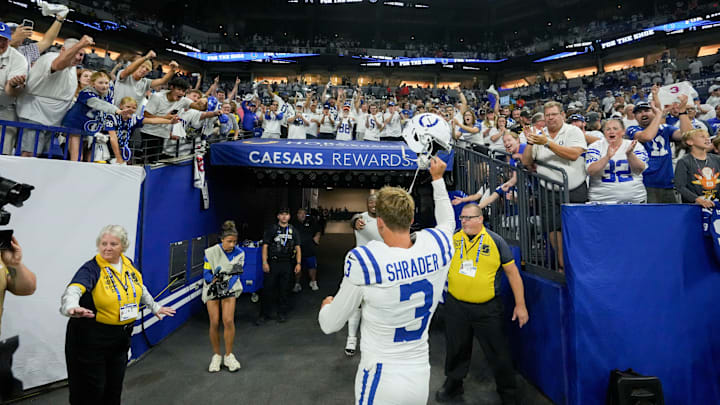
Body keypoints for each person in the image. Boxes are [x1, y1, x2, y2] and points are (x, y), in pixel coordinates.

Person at [318, 157, 454, 405]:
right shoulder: (437, 245)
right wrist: (437, 179)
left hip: (381, 374)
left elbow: (330, 324)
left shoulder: (367, 260)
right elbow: (447, 222)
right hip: (419, 371)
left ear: (379, 222)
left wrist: (327, 305)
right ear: (411, 219)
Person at [60, 225, 175, 405]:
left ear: (123, 246)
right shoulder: (91, 268)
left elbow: (140, 288)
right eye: (103, 243)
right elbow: (74, 289)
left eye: (113, 244)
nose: (107, 247)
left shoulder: (127, 263)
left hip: (120, 338)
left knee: (113, 389)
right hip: (92, 339)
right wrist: (71, 306)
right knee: (91, 390)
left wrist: (155, 307)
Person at [436, 203, 528, 404]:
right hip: (456, 306)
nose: (464, 222)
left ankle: (508, 392)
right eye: (462, 218)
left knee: (498, 351)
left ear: (480, 219)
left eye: (468, 218)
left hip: (486, 308)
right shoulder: (453, 239)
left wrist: (520, 305)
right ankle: (453, 383)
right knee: (455, 347)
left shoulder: (495, 241)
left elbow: (513, 274)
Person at [521, 101, 588, 271]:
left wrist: (547, 143)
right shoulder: (540, 135)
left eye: (554, 114)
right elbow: (527, 162)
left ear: (562, 115)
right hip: (548, 191)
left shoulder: (573, 131)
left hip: (574, 190)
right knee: (552, 228)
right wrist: (530, 142)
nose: (550, 118)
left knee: (576, 230)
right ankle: (561, 266)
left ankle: (579, 266)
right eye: (547, 115)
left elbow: (573, 155)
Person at [16, 35, 93, 157]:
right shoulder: (51, 58)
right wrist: (80, 44)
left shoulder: (72, 68)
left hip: (53, 122)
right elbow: (58, 65)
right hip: (36, 117)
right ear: (62, 50)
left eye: (81, 54)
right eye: (75, 52)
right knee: (29, 155)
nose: (78, 57)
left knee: (44, 158)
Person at [626, 96, 691, 203]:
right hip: (645, 183)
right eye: (639, 112)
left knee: (670, 217)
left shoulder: (665, 128)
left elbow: (687, 135)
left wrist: (683, 111)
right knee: (650, 218)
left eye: (647, 110)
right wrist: (659, 115)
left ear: (653, 112)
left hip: (667, 182)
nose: (643, 114)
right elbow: (646, 137)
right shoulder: (632, 129)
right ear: (635, 117)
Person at [344, 193, 383, 357]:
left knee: (378, 305)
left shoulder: (386, 219)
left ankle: (375, 342)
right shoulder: (361, 218)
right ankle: (351, 338)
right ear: (367, 205)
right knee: (356, 304)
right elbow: (353, 220)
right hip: (361, 267)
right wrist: (355, 221)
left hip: (381, 267)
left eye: (376, 202)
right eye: (371, 202)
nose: (373, 205)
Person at [203, 221, 244, 373]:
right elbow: (206, 272)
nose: (232, 244)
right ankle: (216, 356)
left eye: (234, 241)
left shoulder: (240, 253)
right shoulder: (211, 252)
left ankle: (229, 355)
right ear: (222, 240)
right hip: (213, 287)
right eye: (229, 241)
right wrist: (212, 279)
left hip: (229, 287)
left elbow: (236, 274)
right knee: (214, 322)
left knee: (228, 320)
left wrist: (226, 286)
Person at [586, 118, 649, 204]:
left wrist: (630, 154)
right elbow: (591, 171)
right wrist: (607, 157)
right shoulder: (595, 147)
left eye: (615, 128)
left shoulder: (635, 146)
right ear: (604, 132)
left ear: (623, 131)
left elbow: (639, 169)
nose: (611, 131)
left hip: (634, 199)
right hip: (601, 200)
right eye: (608, 129)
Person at [258, 208, 301, 324]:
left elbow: (297, 247)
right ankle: (264, 315)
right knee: (268, 289)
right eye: (281, 214)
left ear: (289, 216)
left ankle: (282, 313)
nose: (284, 217)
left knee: (285, 289)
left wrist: (298, 263)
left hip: (287, 263)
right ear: (278, 216)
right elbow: (265, 246)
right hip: (273, 263)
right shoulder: (272, 229)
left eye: (286, 214)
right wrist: (264, 262)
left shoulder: (293, 230)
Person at [0, 22, 28, 156]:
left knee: (4, 151)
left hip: (5, 107)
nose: (1, 43)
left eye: (4, 39)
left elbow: (9, 92)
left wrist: (12, 85)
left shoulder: (19, 58)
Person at [675, 129, 720, 208]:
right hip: (692, 206)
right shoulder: (684, 161)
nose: (707, 139)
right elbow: (680, 186)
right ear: (690, 142)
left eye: (708, 137)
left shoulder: (717, 159)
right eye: (702, 137)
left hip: (715, 204)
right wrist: (697, 199)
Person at [291, 208, 321, 292]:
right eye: (300, 213)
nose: (303, 215)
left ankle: (313, 282)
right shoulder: (293, 224)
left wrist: (317, 237)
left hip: (310, 249)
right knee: (297, 267)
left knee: (312, 267)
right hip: (298, 250)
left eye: (304, 213)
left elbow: (318, 230)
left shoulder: (311, 222)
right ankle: (297, 284)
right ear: (297, 215)